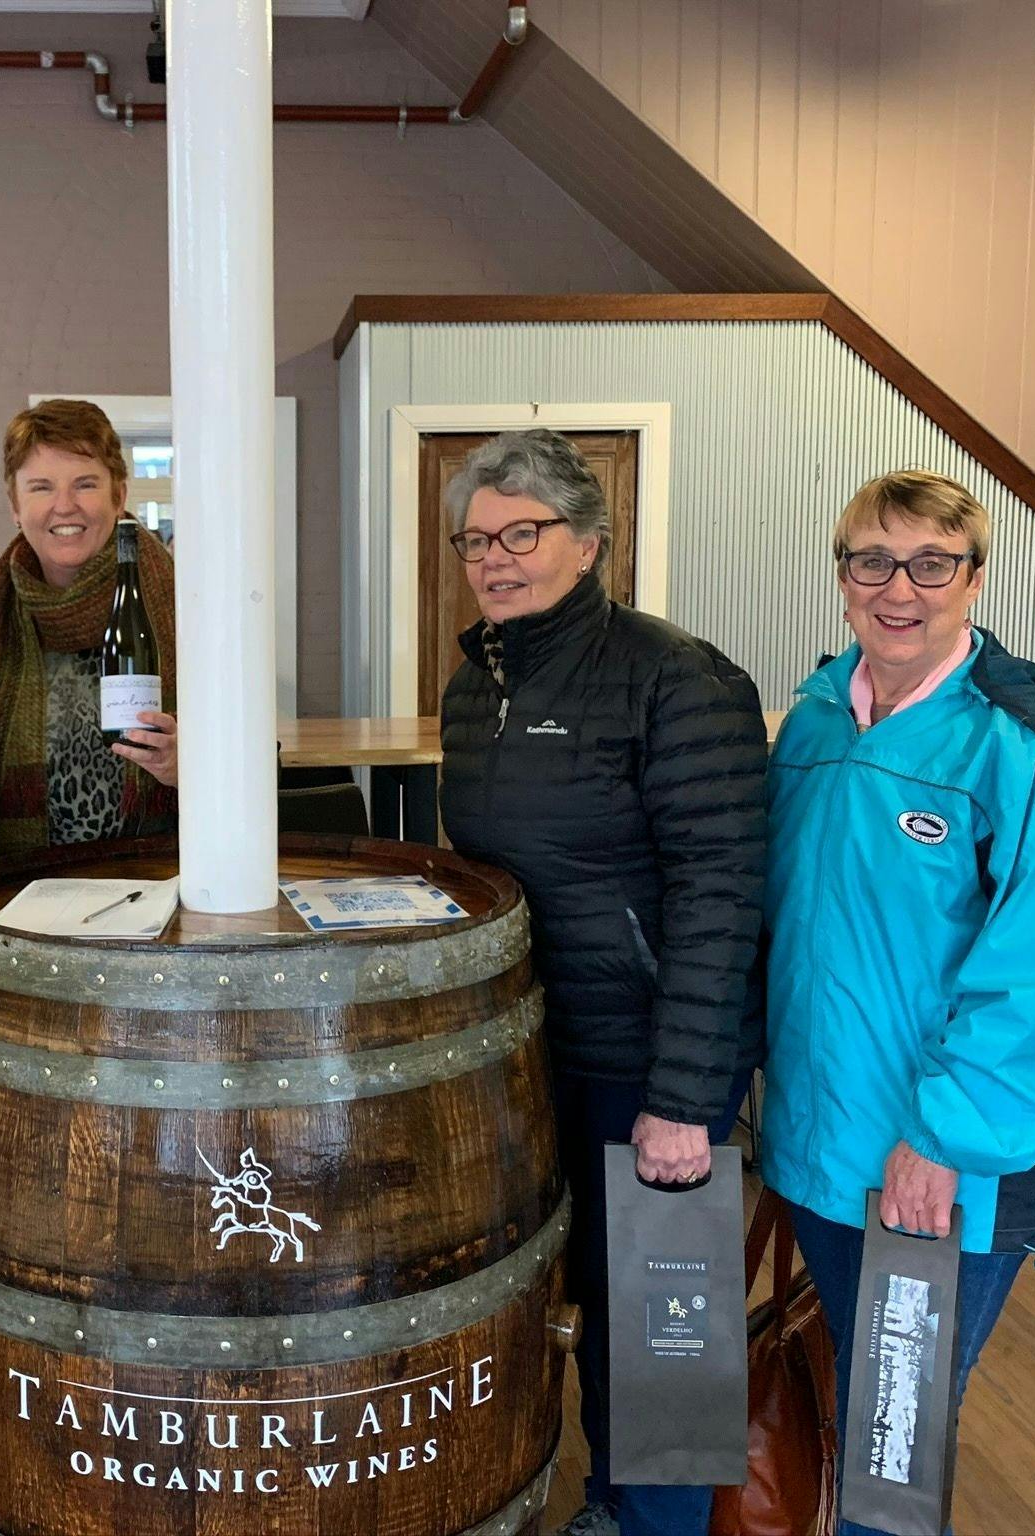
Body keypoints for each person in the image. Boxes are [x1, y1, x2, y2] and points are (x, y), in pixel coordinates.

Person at [761, 469, 1035, 1536]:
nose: (897, 587)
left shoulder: (1022, 741)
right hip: (824, 1146)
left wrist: (942, 1140)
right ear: (840, 578)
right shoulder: (817, 717)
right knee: (845, 1402)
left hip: (941, 1167)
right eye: (871, 560)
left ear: (972, 576)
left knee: (891, 1446)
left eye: (930, 563)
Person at [435, 430, 768, 1536]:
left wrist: (683, 1096)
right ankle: (606, 1500)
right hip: (530, 1048)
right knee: (575, 1290)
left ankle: (655, 1518)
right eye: (475, 538)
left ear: (587, 539)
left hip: (648, 1054)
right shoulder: (472, 686)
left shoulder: (675, 676)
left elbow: (722, 892)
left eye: (520, 532)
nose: (494, 556)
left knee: (662, 1320)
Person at [0, 398, 177, 853]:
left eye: (85, 484)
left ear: (119, 495)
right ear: (15, 504)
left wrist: (194, 767)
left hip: (160, 882)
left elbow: (264, 762)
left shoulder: (190, 605)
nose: (65, 506)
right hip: (17, 892)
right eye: (41, 487)